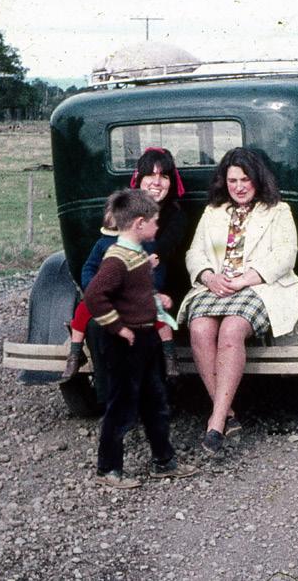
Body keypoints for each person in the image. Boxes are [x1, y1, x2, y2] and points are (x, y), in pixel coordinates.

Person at [176, 147, 298, 455]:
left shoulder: (277, 211)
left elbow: (286, 254)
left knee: (232, 330)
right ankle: (229, 413)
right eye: (233, 181)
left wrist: (247, 278)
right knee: (200, 329)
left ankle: (216, 420)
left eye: (245, 180)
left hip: (259, 286)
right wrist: (208, 277)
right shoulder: (214, 212)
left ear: (258, 180)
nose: (239, 187)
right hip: (216, 286)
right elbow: (195, 253)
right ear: (225, 182)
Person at [84, 188, 198, 488]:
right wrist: (117, 328)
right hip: (125, 343)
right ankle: (108, 469)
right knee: (121, 406)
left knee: (155, 401)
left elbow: (131, 293)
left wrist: (156, 299)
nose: (158, 226)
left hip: (145, 339)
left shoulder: (137, 255)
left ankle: (164, 460)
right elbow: (95, 295)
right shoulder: (117, 259)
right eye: (155, 222)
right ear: (139, 224)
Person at [62, 147, 189, 381]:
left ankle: (167, 363)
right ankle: (81, 361)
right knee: (93, 320)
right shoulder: (109, 238)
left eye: (163, 176)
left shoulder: (172, 219)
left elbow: (159, 259)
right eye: (150, 175)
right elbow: (91, 266)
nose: (156, 182)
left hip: (150, 292)